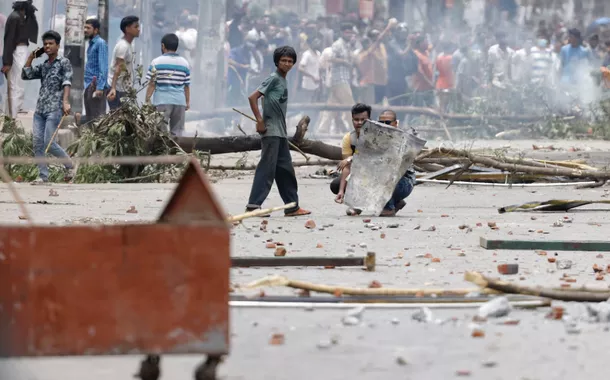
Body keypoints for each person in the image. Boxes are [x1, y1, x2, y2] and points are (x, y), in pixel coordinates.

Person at [245, 46, 311, 217]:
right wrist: (260, 121)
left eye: (290, 61)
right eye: (283, 60)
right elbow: (253, 98)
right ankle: (253, 206)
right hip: (271, 132)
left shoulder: (283, 79)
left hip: (280, 132)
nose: (287, 64)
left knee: (285, 170)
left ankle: (292, 206)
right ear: (277, 62)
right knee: (267, 169)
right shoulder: (273, 78)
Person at [331, 104, 415, 217]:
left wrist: (351, 158)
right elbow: (349, 168)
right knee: (337, 184)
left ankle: (388, 207)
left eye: (363, 120)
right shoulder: (350, 138)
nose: (359, 123)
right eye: (356, 119)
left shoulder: (388, 137)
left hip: (401, 181)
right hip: (373, 176)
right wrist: (341, 191)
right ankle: (364, 204)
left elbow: (382, 163)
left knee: (378, 172)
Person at [21, 30, 74, 184]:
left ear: (58, 45)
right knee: (37, 142)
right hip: (40, 110)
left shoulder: (63, 62)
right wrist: (31, 57)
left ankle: (70, 165)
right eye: (45, 44)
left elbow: (67, 82)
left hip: (55, 108)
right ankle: (43, 176)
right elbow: (26, 75)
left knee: (49, 143)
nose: (47, 46)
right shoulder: (44, 65)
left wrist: (65, 101)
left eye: (51, 43)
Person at [145, 33, 190, 137]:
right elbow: (186, 85)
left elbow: (152, 84)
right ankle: (175, 151)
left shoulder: (156, 62)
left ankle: (163, 151)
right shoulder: (185, 63)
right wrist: (187, 102)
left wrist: (147, 100)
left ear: (163, 46)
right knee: (177, 133)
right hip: (179, 101)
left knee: (160, 133)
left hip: (162, 101)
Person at [318, 23, 356, 134]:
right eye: (347, 32)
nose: (349, 34)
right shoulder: (338, 44)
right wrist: (344, 62)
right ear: (342, 33)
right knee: (350, 104)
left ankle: (323, 128)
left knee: (332, 105)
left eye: (350, 32)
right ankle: (355, 128)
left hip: (343, 78)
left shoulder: (347, 45)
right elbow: (331, 58)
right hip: (339, 79)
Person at [2, 0, 38, 117]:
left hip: (21, 50)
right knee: (16, 83)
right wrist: (7, 62)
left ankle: (14, 111)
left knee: (18, 82)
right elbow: (9, 40)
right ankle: (13, 114)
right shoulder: (14, 18)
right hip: (17, 51)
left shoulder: (21, 17)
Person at [107, 15, 140, 110]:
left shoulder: (128, 44)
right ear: (127, 29)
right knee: (117, 119)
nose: (138, 29)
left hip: (122, 89)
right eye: (136, 27)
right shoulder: (123, 46)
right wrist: (113, 88)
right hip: (117, 89)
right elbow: (118, 68)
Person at [81, 18, 108, 124]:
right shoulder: (91, 44)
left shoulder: (100, 43)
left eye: (88, 28)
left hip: (96, 86)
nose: (85, 30)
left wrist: (100, 88)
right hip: (89, 85)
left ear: (96, 30)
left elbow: (103, 67)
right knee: (90, 118)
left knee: (97, 119)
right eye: (85, 27)